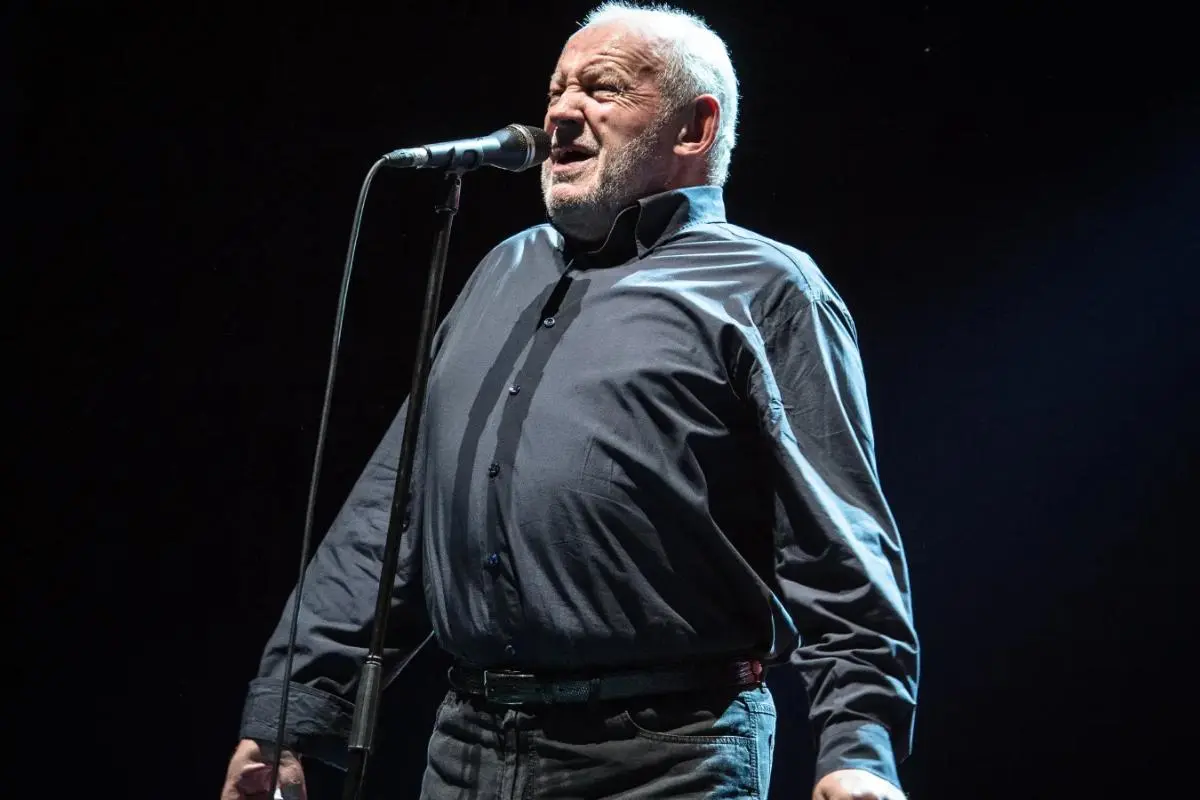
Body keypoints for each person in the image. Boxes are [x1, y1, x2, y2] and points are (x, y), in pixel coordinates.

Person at [221, 3, 919, 799]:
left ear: (693, 129)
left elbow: (839, 543)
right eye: (556, 88)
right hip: (467, 748)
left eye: (604, 88)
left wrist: (857, 749)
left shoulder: (766, 289)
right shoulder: (502, 272)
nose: (560, 110)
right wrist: (290, 715)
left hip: (666, 758)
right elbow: (393, 517)